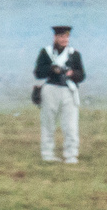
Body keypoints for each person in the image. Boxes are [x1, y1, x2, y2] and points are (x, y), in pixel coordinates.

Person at [34, 24, 85, 165]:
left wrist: (72, 74)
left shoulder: (74, 54)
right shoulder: (46, 53)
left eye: (66, 37)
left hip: (68, 90)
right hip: (51, 89)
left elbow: (81, 75)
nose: (65, 39)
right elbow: (39, 72)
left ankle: (71, 154)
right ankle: (47, 153)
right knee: (48, 124)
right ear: (55, 37)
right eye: (62, 36)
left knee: (71, 125)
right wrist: (52, 69)